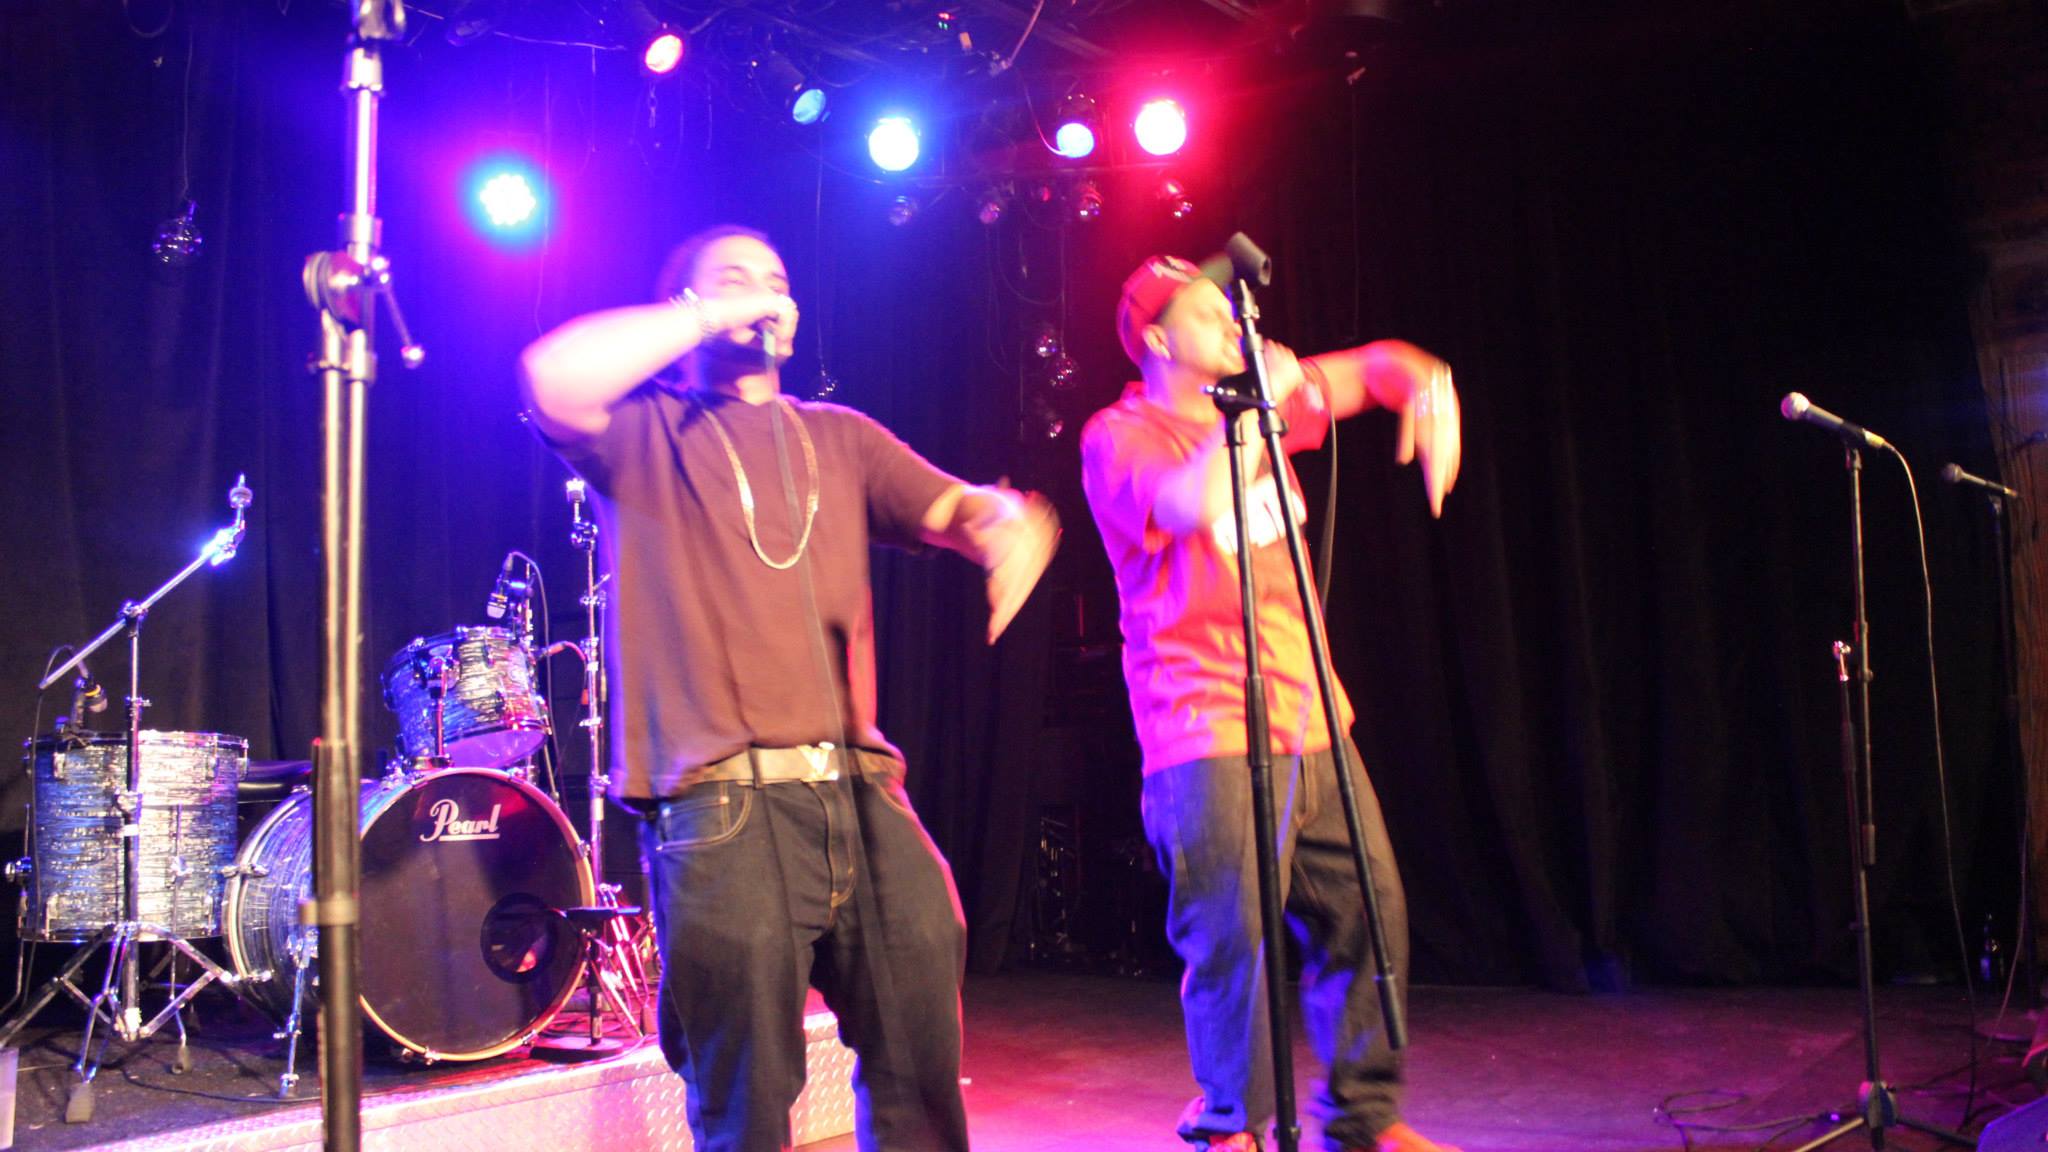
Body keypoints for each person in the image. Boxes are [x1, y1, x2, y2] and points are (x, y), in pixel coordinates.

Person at [519, 224, 1058, 1152]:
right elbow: (550, 376)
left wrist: (1003, 519)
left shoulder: (838, 437)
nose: (763, 292)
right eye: (733, 278)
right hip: (721, 807)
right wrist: (708, 315)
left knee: (922, 1059)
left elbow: (950, 507)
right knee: (748, 1105)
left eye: (775, 279)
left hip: (861, 792)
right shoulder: (649, 430)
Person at [1079, 255, 1463, 1152]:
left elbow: (1374, 367)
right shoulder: (1120, 435)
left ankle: (1364, 1120)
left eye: (1233, 310)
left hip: (1312, 717)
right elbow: (1191, 502)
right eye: (1209, 313)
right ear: (1159, 340)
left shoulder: (1253, 405)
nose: (1233, 322)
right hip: (1203, 726)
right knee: (1233, 942)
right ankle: (1231, 1127)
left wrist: (1426, 383)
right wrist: (1259, 412)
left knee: (1368, 913)